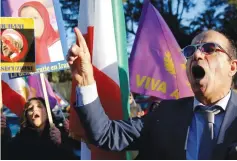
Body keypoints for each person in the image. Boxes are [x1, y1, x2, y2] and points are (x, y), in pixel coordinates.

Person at [67, 28, 237, 159]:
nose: (197, 55)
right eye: (190, 52)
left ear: (232, 67)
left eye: (209, 48)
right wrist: (85, 81)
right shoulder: (164, 113)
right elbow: (105, 134)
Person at [1, 97, 77, 160]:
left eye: (39, 106)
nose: (34, 110)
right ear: (27, 116)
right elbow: (5, 154)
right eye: (30, 108)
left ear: (48, 113)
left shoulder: (61, 136)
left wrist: (61, 143)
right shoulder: (19, 141)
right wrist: (2, 134)